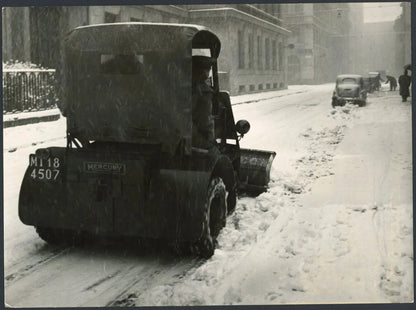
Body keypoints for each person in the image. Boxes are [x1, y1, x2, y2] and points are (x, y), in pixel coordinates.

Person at [191, 55, 217, 152]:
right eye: (208, 69)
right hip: (193, 140)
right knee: (218, 159)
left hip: (175, 138)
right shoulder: (203, 91)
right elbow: (205, 121)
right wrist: (209, 143)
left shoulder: (180, 86)